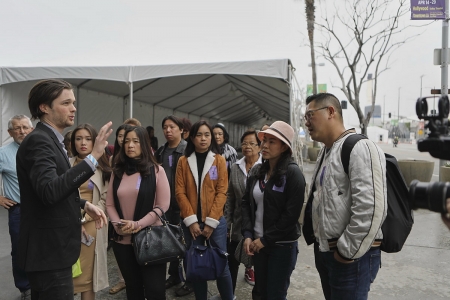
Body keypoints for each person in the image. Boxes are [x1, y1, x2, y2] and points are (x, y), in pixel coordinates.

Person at [16, 79, 110, 300]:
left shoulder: (49, 139)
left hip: (53, 252)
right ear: (44, 107)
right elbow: (49, 191)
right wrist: (93, 158)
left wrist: (83, 204)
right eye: (66, 103)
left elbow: (48, 190)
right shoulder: (39, 141)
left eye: (74, 102)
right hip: (49, 253)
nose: (74, 108)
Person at [302, 93, 387, 300]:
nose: (306, 123)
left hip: (350, 258)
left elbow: (371, 208)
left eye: (310, 115)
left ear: (330, 111)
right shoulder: (327, 151)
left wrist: (346, 251)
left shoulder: (359, 147)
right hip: (328, 252)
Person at [241, 121, 305, 300]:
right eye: (264, 140)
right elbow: (246, 203)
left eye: (272, 142)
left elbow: (290, 215)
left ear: (284, 147)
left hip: (282, 247)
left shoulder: (293, 175)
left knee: (275, 294)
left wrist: (266, 239)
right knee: (259, 292)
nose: (265, 145)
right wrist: (247, 234)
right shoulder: (257, 171)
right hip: (258, 245)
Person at [106, 126, 170, 300]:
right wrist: (117, 224)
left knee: (155, 290)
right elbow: (110, 204)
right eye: (126, 141)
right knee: (133, 289)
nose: (130, 145)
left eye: (135, 141)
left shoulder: (156, 170)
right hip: (123, 240)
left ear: (143, 144)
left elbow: (162, 206)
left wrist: (137, 224)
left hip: (151, 240)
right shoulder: (117, 172)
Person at [175, 120, 234, 300]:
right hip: (191, 223)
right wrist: (192, 221)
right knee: (197, 267)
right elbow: (179, 192)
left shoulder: (219, 160)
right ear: (192, 138)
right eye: (199, 135)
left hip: (215, 223)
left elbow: (222, 192)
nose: (203, 139)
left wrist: (211, 222)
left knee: (222, 265)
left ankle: (228, 297)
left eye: (207, 135)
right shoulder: (183, 162)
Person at [70, 124, 112, 299]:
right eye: (78, 139)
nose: (83, 143)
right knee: (69, 274)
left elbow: (105, 198)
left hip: (93, 224)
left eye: (88, 139)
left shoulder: (103, 167)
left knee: (88, 276)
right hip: (68, 225)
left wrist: (86, 217)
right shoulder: (67, 163)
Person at [154, 115, 194, 297]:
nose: (168, 130)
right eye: (165, 127)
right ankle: (175, 275)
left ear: (181, 130)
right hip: (165, 206)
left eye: (172, 127)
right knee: (170, 242)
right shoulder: (162, 151)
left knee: (186, 243)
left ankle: (191, 280)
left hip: (182, 205)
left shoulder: (187, 150)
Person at [224, 130, 262, 297]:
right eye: (244, 143)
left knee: (260, 266)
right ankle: (229, 294)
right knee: (232, 262)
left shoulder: (264, 167)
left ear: (259, 147)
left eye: (252, 143)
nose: (247, 147)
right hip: (239, 225)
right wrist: (227, 222)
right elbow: (230, 197)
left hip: (259, 227)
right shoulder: (236, 167)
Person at [0, 115, 33, 300]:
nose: (22, 131)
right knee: (20, 249)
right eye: (17, 128)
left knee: (43, 246)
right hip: (19, 210)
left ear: (32, 129)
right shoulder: (3, 153)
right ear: (10, 132)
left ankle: (41, 282)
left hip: (42, 208)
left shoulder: (39, 150)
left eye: (25, 127)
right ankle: (25, 287)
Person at [108, 123, 134, 295]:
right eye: (121, 136)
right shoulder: (113, 161)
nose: (125, 141)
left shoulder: (150, 166)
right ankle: (123, 280)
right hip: (116, 212)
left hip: (136, 218)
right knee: (121, 249)